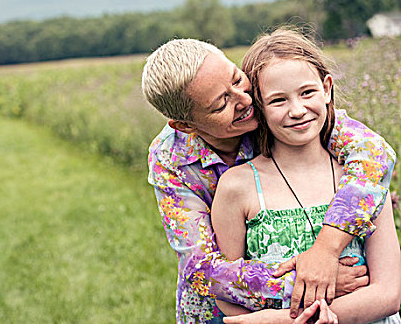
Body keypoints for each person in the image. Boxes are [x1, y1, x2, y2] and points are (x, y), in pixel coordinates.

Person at [142, 35, 396, 323]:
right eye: (221, 103)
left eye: (236, 80)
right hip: (228, 311)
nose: (244, 99)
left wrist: (325, 250)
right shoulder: (170, 159)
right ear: (186, 125)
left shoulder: (280, 109)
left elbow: (374, 156)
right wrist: (308, 283)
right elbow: (202, 269)